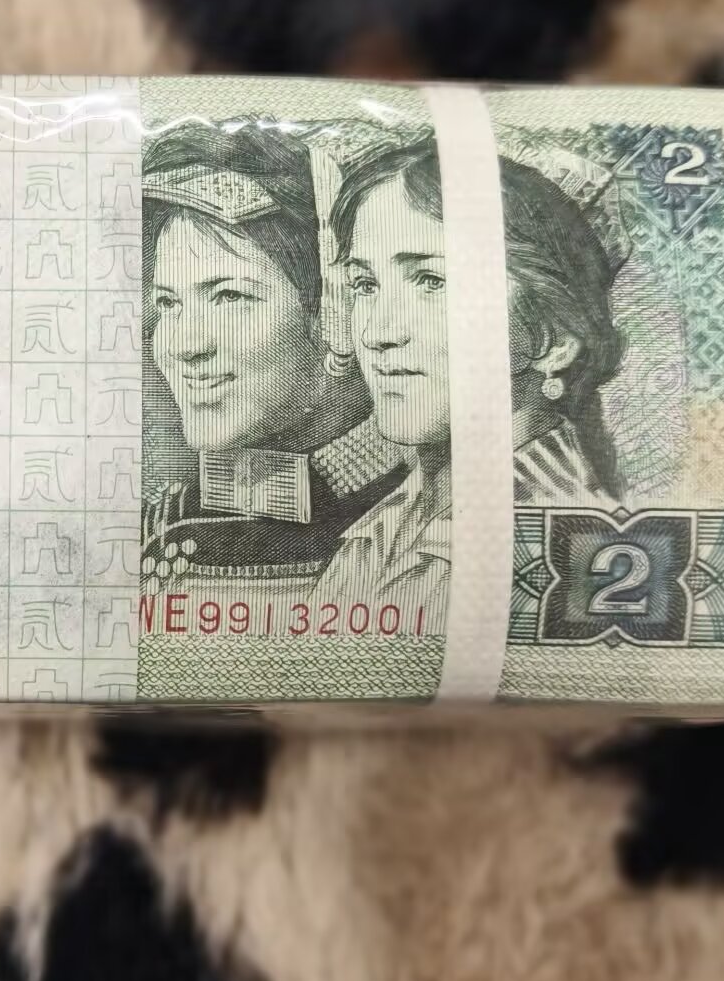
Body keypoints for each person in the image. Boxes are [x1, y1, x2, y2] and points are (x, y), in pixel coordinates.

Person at [312, 136, 623, 625]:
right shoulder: (381, 529)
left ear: (553, 337)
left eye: (433, 282)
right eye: (365, 285)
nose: (377, 333)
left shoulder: (559, 544)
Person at [140, 120, 399, 588]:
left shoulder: (420, 516)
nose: (185, 346)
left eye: (230, 297)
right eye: (168, 303)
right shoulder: (160, 527)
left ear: (332, 313)